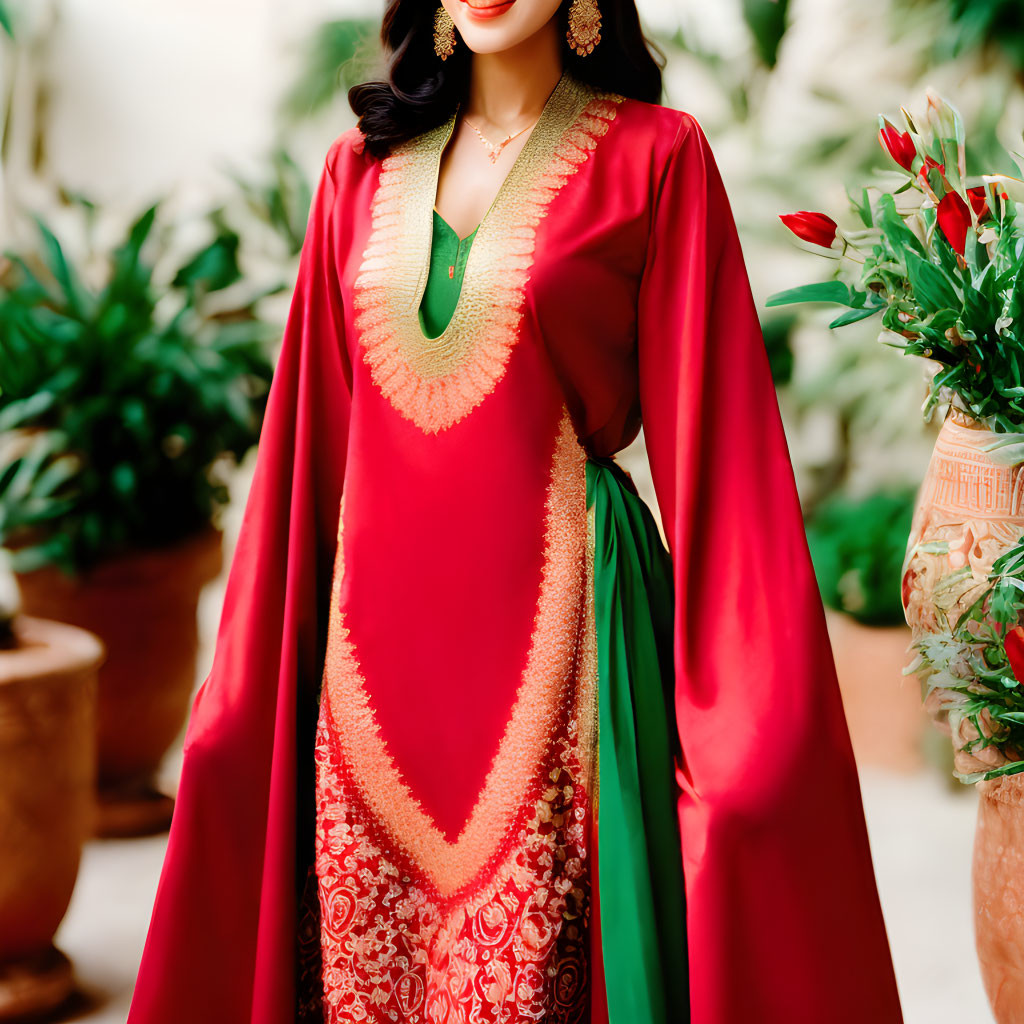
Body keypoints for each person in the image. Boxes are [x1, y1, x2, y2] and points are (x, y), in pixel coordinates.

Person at [126, 1, 905, 1021]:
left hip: (563, 658)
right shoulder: (352, 178)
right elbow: (302, 463)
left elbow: (720, 449)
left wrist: (754, 723)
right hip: (371, 696)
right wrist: (240, 703)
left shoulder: (653, 159)